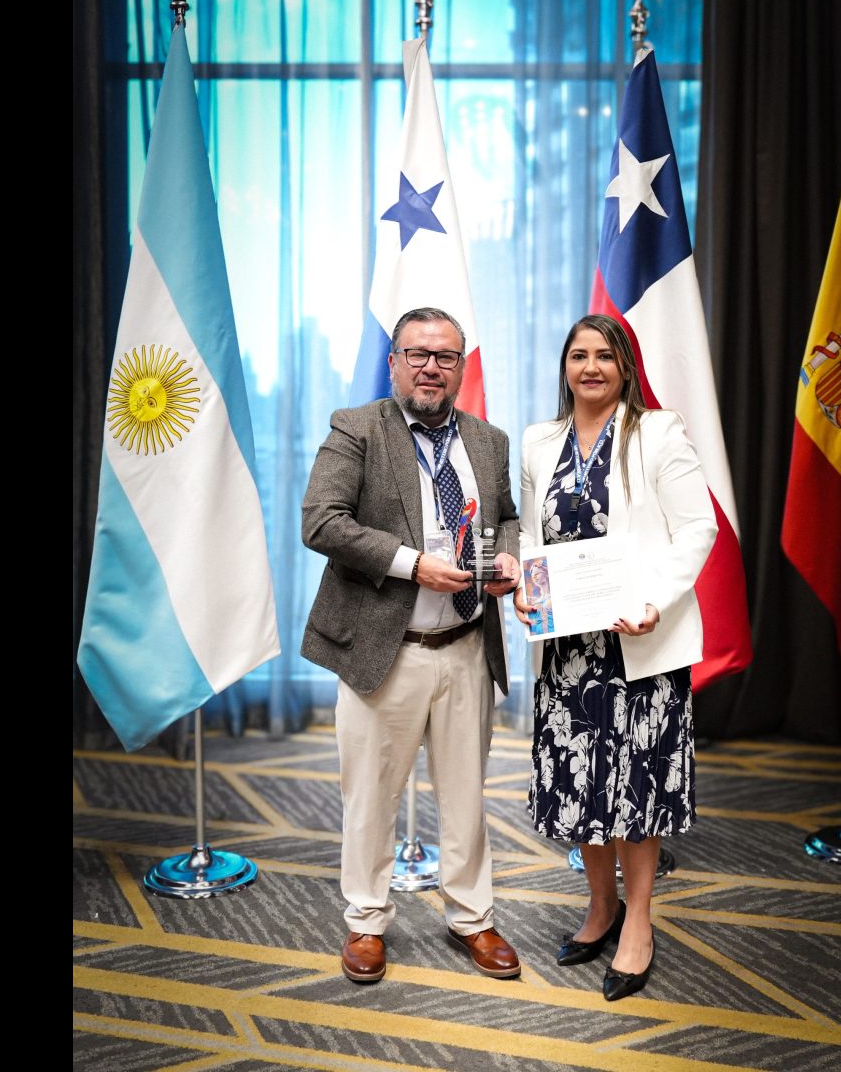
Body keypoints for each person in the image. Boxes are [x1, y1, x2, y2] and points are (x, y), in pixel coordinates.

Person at [302, 306, 524, 985]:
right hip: (384, 649)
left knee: (465, 794)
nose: (431, 367)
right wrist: (412, 565)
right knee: (370, 795)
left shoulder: (488, 439)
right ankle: (367, 921)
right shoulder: (357, 428)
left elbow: (507, 518)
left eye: (445, 356)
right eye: (418, 354)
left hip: (466, 644)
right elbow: (321, 522)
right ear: (394, 362)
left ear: (460, 366)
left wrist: (509, 559)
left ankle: (473, 917)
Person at [512, 314, 716, 1001]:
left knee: (638, 790)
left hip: (640, 644)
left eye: (604, 355)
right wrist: (530, 593)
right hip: (569, 650)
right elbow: (533, 538)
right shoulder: (539, 441)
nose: (591, 367)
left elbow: (698, 528)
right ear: (564, 366)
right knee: (582, 786)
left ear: (625, 366)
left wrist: (655, 600)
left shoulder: (659, 432)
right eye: (579, 355)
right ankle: (601, 909)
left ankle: (639, 924)